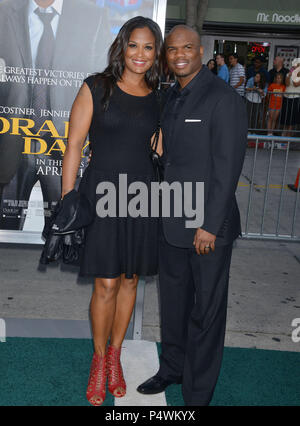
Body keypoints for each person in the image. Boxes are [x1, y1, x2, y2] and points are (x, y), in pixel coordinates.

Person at [137, 25, 247, 406]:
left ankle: (197, 394)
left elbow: (226, 168)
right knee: (174, 304)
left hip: (207, 230)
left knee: (206, 312)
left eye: (187, 48)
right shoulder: (172, 95)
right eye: (172, 50)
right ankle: (172, 368)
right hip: (171, 221)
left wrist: (210, 225)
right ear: (166, 57)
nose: (179, 54)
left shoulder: (223, 99)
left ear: (201, 51)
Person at [61, 16, 163, 406]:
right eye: (134, 45)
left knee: (130, 280)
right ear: (122, 46)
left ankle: (116, 358)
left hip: (142, 198)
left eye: (148, 47)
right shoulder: (97, 86)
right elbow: (74, 145)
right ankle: (98, 359)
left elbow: (160, 149)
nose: (140, 54)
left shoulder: (159, 95)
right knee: (106, 282)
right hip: (102, 194)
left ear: (155, 55)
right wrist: (69, 198)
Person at [0, 0, 111, 230]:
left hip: (63, 146)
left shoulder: (93, 16)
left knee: (63, 229)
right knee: (6, 225)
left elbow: (101, 86)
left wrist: (98, 143)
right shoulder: (4, 10)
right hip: (10, 141)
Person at [280, 59, 300, 139]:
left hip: (295, 98)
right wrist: (289, 75)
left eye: (296, 65)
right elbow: (287, 83)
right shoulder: (289, 73)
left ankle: (288, 137)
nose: (294, 66)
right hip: (287, 97)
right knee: (286, 117)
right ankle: (283, 135)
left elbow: (296, 84)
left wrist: (294, 75)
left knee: (291, 119)